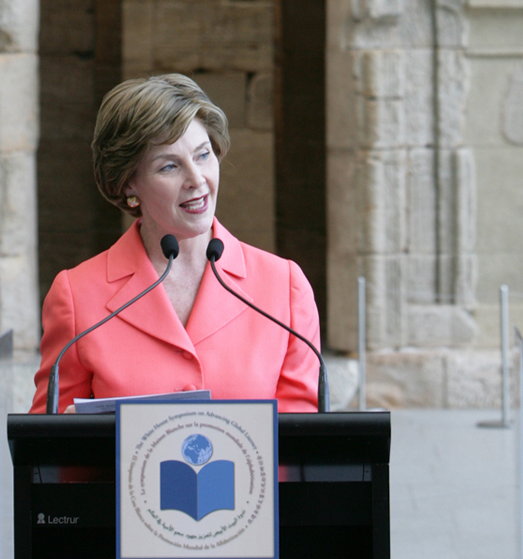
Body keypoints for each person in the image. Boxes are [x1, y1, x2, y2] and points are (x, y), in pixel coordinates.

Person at [29, 74, 320, 414]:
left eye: (203, 155)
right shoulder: (76, 296)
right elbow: (44, 450)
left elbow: (305, 445)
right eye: (169, 166)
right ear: (127, 184)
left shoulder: (284, 286)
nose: (197, 180)